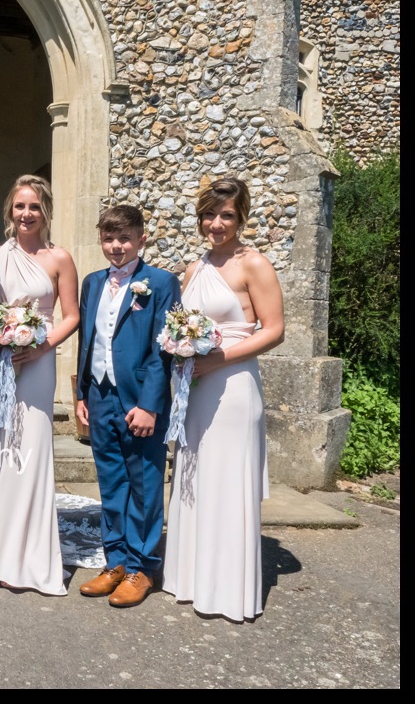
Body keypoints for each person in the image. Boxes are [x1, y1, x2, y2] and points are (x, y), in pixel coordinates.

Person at [162, 178, 284, 621]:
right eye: (210, 215)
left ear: (241, 217)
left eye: (226, 215)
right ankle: (193, 580)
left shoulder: (254, 264)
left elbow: (274, 330)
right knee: (195, 477)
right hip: (194, 387)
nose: (217, 224)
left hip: (232, 386)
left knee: (227, 480)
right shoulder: (194, 269)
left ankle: (228, 588)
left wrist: (220, 360)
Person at [74, 204, 181, 607]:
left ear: (141, 240)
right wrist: (83, 393)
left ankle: (143, 567)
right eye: (108, 239)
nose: (115, 246)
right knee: (112, 482)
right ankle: (115, 561)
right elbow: (89, 340)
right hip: (100, 396)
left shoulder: (160, 282)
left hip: (139, 399)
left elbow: (162, 348)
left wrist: (151, 405)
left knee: (144, 484)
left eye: (123, 239)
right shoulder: (92, 282)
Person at [0, 175, 79, 594]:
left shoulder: (60, 258)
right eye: (19, 206)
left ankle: (33, 554)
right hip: (0, 361)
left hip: (38, 362)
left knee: (32, 449)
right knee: (0, 449)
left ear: (46, 211)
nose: (26, 214)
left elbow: (71, 315)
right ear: (10, 211)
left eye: (34, 207)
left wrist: (41, 347)